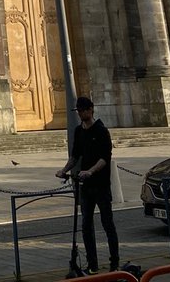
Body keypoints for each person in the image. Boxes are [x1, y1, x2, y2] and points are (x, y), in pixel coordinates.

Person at [56, 97, 119, 276]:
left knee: (108, 224)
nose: (82, 113)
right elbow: (75, 155)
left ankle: (114, 263)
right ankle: (92, 264)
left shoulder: (101, 131)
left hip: (100, 185)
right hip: (85, 186)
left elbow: (105, 158)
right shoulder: (78, 131)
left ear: (91, 110)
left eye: (84, 110)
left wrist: (91, 171)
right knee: (86, 225)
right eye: (79, 110)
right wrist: (63, 170)